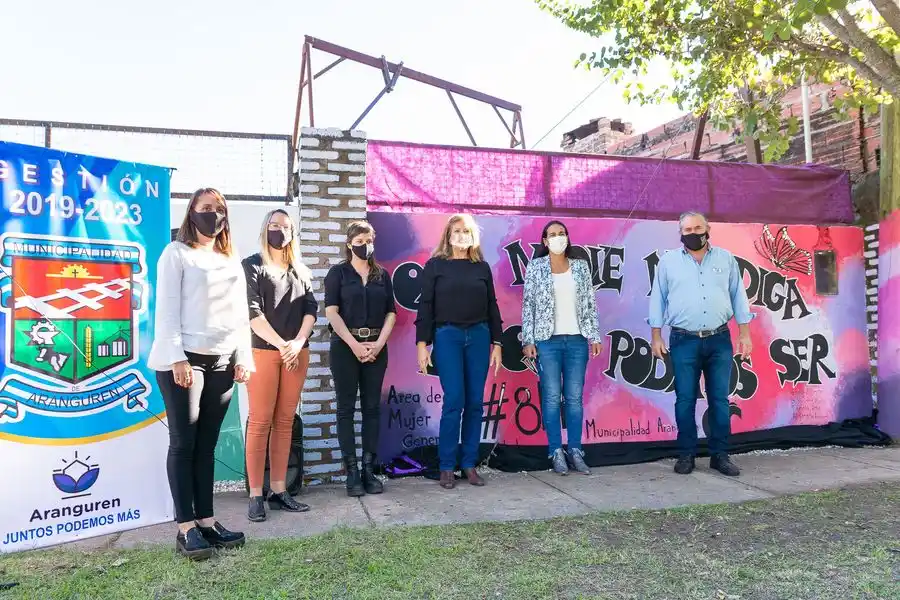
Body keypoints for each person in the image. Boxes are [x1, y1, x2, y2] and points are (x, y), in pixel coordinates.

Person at [148, 188, 253, 560]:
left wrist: (244, 356)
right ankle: (185, 528)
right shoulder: (175, 254)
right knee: (184, 443)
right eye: (205, 208)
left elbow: (240, 314)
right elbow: (167, 309)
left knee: (206, 446)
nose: (213, 214)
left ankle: (207, 522)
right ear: (191, 213)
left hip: (224, 361)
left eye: (219, 209)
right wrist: (176, 358)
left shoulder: (229, 258)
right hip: (185, 360)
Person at [649, 211, 753, 477]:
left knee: (719, 399)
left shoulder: (725, 259)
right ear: (680, 233)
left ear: (708, 229)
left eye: (697, 227)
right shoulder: (669, 262)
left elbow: (738, 296)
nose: (693, 233)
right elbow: (658, 299)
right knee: (685, 400)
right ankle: (686, 455)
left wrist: (744, 333)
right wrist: (656, 336)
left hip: (719, 338)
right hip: (683, 340)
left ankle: (720, 456)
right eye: (687, 230)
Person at [415, 214, 503, 490]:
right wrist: (422, 345)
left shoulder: (482, 267)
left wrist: (497, 344)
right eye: (457, 230)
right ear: (447, 235)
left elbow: (492, 306)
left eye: (466, 231)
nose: (462, 235)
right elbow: (426, 307)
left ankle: (469, 464)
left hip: (479, 336)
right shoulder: (435, 266)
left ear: (473, 235)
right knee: (454, 400)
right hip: (447, 336)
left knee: (475, 402)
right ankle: (446, 466)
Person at [242, 209, 317, 521]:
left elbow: (311, 310)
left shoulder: (301, 270)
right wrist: (282, 344)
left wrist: (297, 342)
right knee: (260, 422)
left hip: (296, 354)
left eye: (285, 227)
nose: (279, 231)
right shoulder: (252, 265)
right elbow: (252, 313)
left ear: (292, 232)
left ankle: (279, 489)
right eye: (274, 225)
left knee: (285, 421)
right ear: (265, 229)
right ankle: (256, 495)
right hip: (262, 352)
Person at [521, 220, 603, 476]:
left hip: (578, 340)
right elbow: (528, 305)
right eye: (552, 235)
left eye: (561, 234)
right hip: (548, 342)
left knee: (575, 398)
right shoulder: (535, 268)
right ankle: (555, 451)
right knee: (552, 398)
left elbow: (589, 303)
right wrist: (528, 340)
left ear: (567, 237)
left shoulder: (580, 267)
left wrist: (595, 335)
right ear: (544, 241)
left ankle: (576, 450)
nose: (557, 238)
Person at [325, 221, 397, 497]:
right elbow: (332, 312)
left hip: (376, 347)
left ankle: (369, 469)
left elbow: (391, 312)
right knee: (345, 408)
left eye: (369, 240)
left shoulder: (382, 275)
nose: (365, 245)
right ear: (349, 243)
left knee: (371, 409)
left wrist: (378, 344)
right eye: (359, 240)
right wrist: (354, 345)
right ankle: (351, 471)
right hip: (345, 347)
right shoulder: (338, 273)